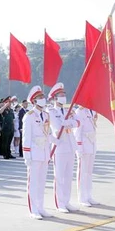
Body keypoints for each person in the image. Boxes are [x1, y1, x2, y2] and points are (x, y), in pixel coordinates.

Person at [22, 86, 56, 220]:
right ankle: (33, 209)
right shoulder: (29, 116)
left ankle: (41, 207)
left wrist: (55, 139)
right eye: (40, 98)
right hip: (34, 153)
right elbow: (26, 137)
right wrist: (27, 155)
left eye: (43, 97)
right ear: (34, 101)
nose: (43, 99)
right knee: (34, 182)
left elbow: (47, 133)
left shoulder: (46, 115)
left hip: (44, 152)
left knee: (42, 182)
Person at [47, 82, 80, 213]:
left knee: (68, 176)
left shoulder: (68, 110)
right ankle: (60, 203)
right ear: (55, 98)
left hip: (70, 145)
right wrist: (68, 123)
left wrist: (67, 123)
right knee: (59, 176)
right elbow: (57, 126)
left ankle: (67, 201)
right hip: (59, 146)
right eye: (60, 95)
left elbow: (77, 122)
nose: (63, 97)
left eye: (64, 95)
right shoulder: (51, 111)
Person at [74, 106, 100, 207]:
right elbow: (77, 132)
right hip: (83, 146)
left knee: (89, 172)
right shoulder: (80, 111)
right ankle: (82, 197)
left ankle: (89, 195)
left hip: (92, 144)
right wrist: (79, 147)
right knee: (82, 172)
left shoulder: (92, 110)